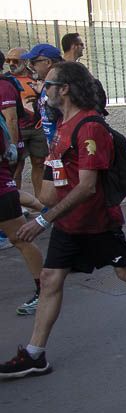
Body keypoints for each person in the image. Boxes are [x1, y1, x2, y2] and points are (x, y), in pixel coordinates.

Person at [1, 62, 126, 380]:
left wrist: (42, 220)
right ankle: (34, 354)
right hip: (69, 224)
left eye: (47, 84)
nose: (41, 89)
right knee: (51, 279)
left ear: (65, 89)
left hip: (97, 223)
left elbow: (87, 186)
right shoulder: (60, 126)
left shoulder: (90, 127)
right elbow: (55, 189)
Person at [0, 60, 43, 313]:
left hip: (1, 189)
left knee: (19, 238)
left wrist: (15, 150)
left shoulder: (4, 87)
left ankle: (44, 288)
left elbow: (11, 121)